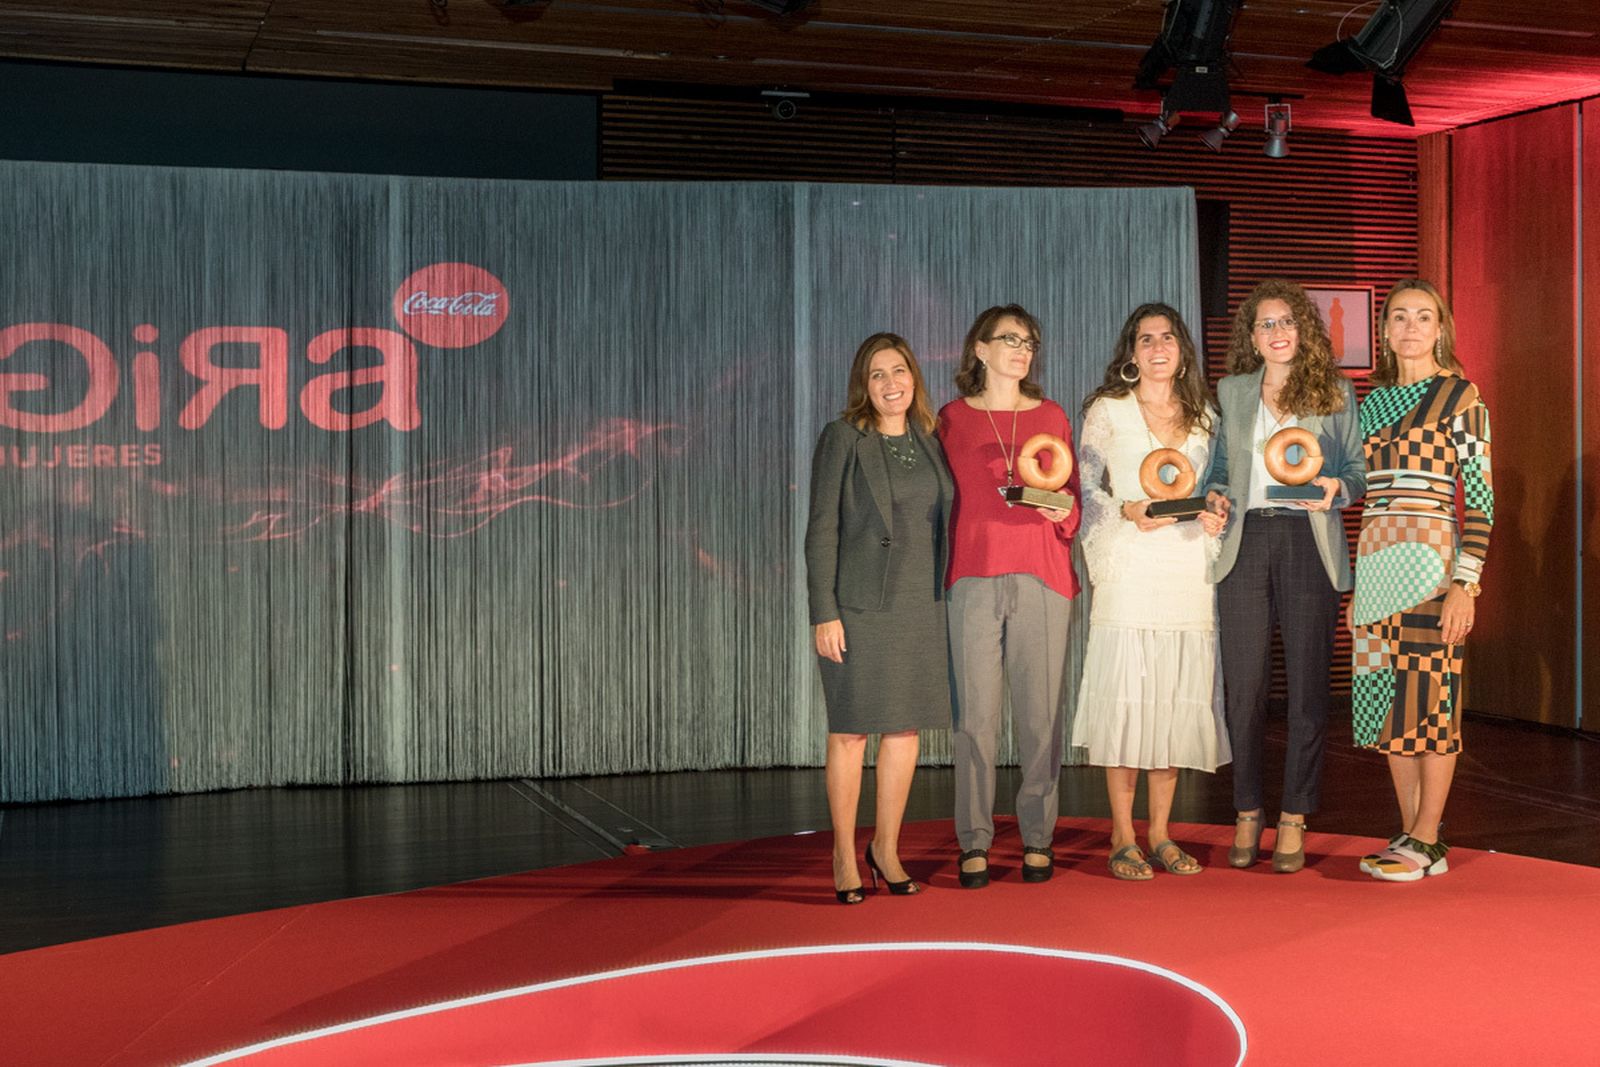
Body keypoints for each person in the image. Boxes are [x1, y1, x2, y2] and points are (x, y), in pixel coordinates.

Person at [1205, 279, 1366, 873]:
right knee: (1243, 690)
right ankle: (1248, 809)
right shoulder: (1233, 390)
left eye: (1286, 321)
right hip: (1245, 542)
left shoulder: (1334, 391)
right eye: (1266, 324)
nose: (1277, 332)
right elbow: (1220, 469)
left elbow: (1357, 470)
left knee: (1306, 688)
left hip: (1308, 540)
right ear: (1252, 337)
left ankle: (1295, 814)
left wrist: (1337, 489)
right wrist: (1216, 498)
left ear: (1304, 329)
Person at [1070, 303, 1229, 880]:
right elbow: (1084, 487)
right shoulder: (1106, 410)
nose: (1158, 347)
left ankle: (1160, 833)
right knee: (1127, 703)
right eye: (1145, 339)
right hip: (1131, 566)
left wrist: (1215, 513)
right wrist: (1125, 510)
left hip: (1185, 568)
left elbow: (1213, 489)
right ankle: (1121, 836)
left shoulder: (1206, 416)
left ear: (1182, 348)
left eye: (1168, 337)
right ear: (1131, 353)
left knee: (1172, 699)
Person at [1349, 279, 1492, 881]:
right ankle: (1413, 837)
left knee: (1433, 704)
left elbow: (1480, 502)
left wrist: (1466, 583)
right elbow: (1357, 487)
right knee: (1390, 710)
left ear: (1441, 329)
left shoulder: (1461, 397)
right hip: (1375, 565)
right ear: (1384, 331)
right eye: (1399, 317)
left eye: (1423, 317)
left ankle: (1428, 833)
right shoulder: (1369, 403)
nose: (1411, 327)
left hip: (1432, 569)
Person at [805, 332, 955, 904]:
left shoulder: (931, 440)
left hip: (923, 603)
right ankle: (845, 850)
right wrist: (825, 612)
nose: (891, 383)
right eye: (877, 375)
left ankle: (886, 848)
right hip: (860, 607)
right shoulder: (844, 438)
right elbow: (821, 530)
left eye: (899, 371)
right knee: (849, 732)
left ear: (914, 376)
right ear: (863, 386)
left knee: (905, 730)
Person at [939, 304, 1081, 888]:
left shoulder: (1050, 415)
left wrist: (1064, 508)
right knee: (974, 719)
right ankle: (974, 839)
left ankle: (1038, 838)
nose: (1022, 350)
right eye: (1009, 339)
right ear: (980, 350)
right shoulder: (950, 419)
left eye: (1029, 341)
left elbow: (1072, 498)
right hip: (972, 575)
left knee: (1040, 718)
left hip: (1043, 575)